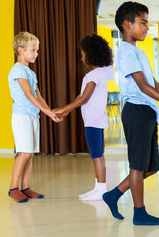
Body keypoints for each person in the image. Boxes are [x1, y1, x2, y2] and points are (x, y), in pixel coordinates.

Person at [102, 1, 159, 225]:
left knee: (150, 167)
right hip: (137, 111)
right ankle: (139, 214)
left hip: (147, 112)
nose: (147, 28)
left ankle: (113, 195)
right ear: (126, 24)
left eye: (147, 23)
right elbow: (144, 88)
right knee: (138, 165)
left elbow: (154, 84)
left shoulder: (137, 52)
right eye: (142, 23)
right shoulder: (125, 52)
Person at [53, 34, 113, 201]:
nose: (81, 57)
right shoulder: (100, 73)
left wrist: (63, 108)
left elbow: (84, 98)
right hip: (97, 120)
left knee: (96, 156)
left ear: (91, 54)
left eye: (83, 53)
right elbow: (81, 98)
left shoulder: (93, 75)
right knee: (99, 154)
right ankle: (98, 187)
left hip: (93, 121)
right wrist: (67, 111)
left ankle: (101, 190)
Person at [8, 32, 61, 203]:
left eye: (37, 50)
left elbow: (39, 97)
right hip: (22, 116)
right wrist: (46, 112)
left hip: (33, 116)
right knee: (24, 152)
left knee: (30, 154)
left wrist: (50, 113)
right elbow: (29, 95)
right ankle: (13, 188)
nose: (36, 54)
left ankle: (26, 187)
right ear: (21, 50)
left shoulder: (30, 72)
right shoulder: (17, 70)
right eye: (34, 50)